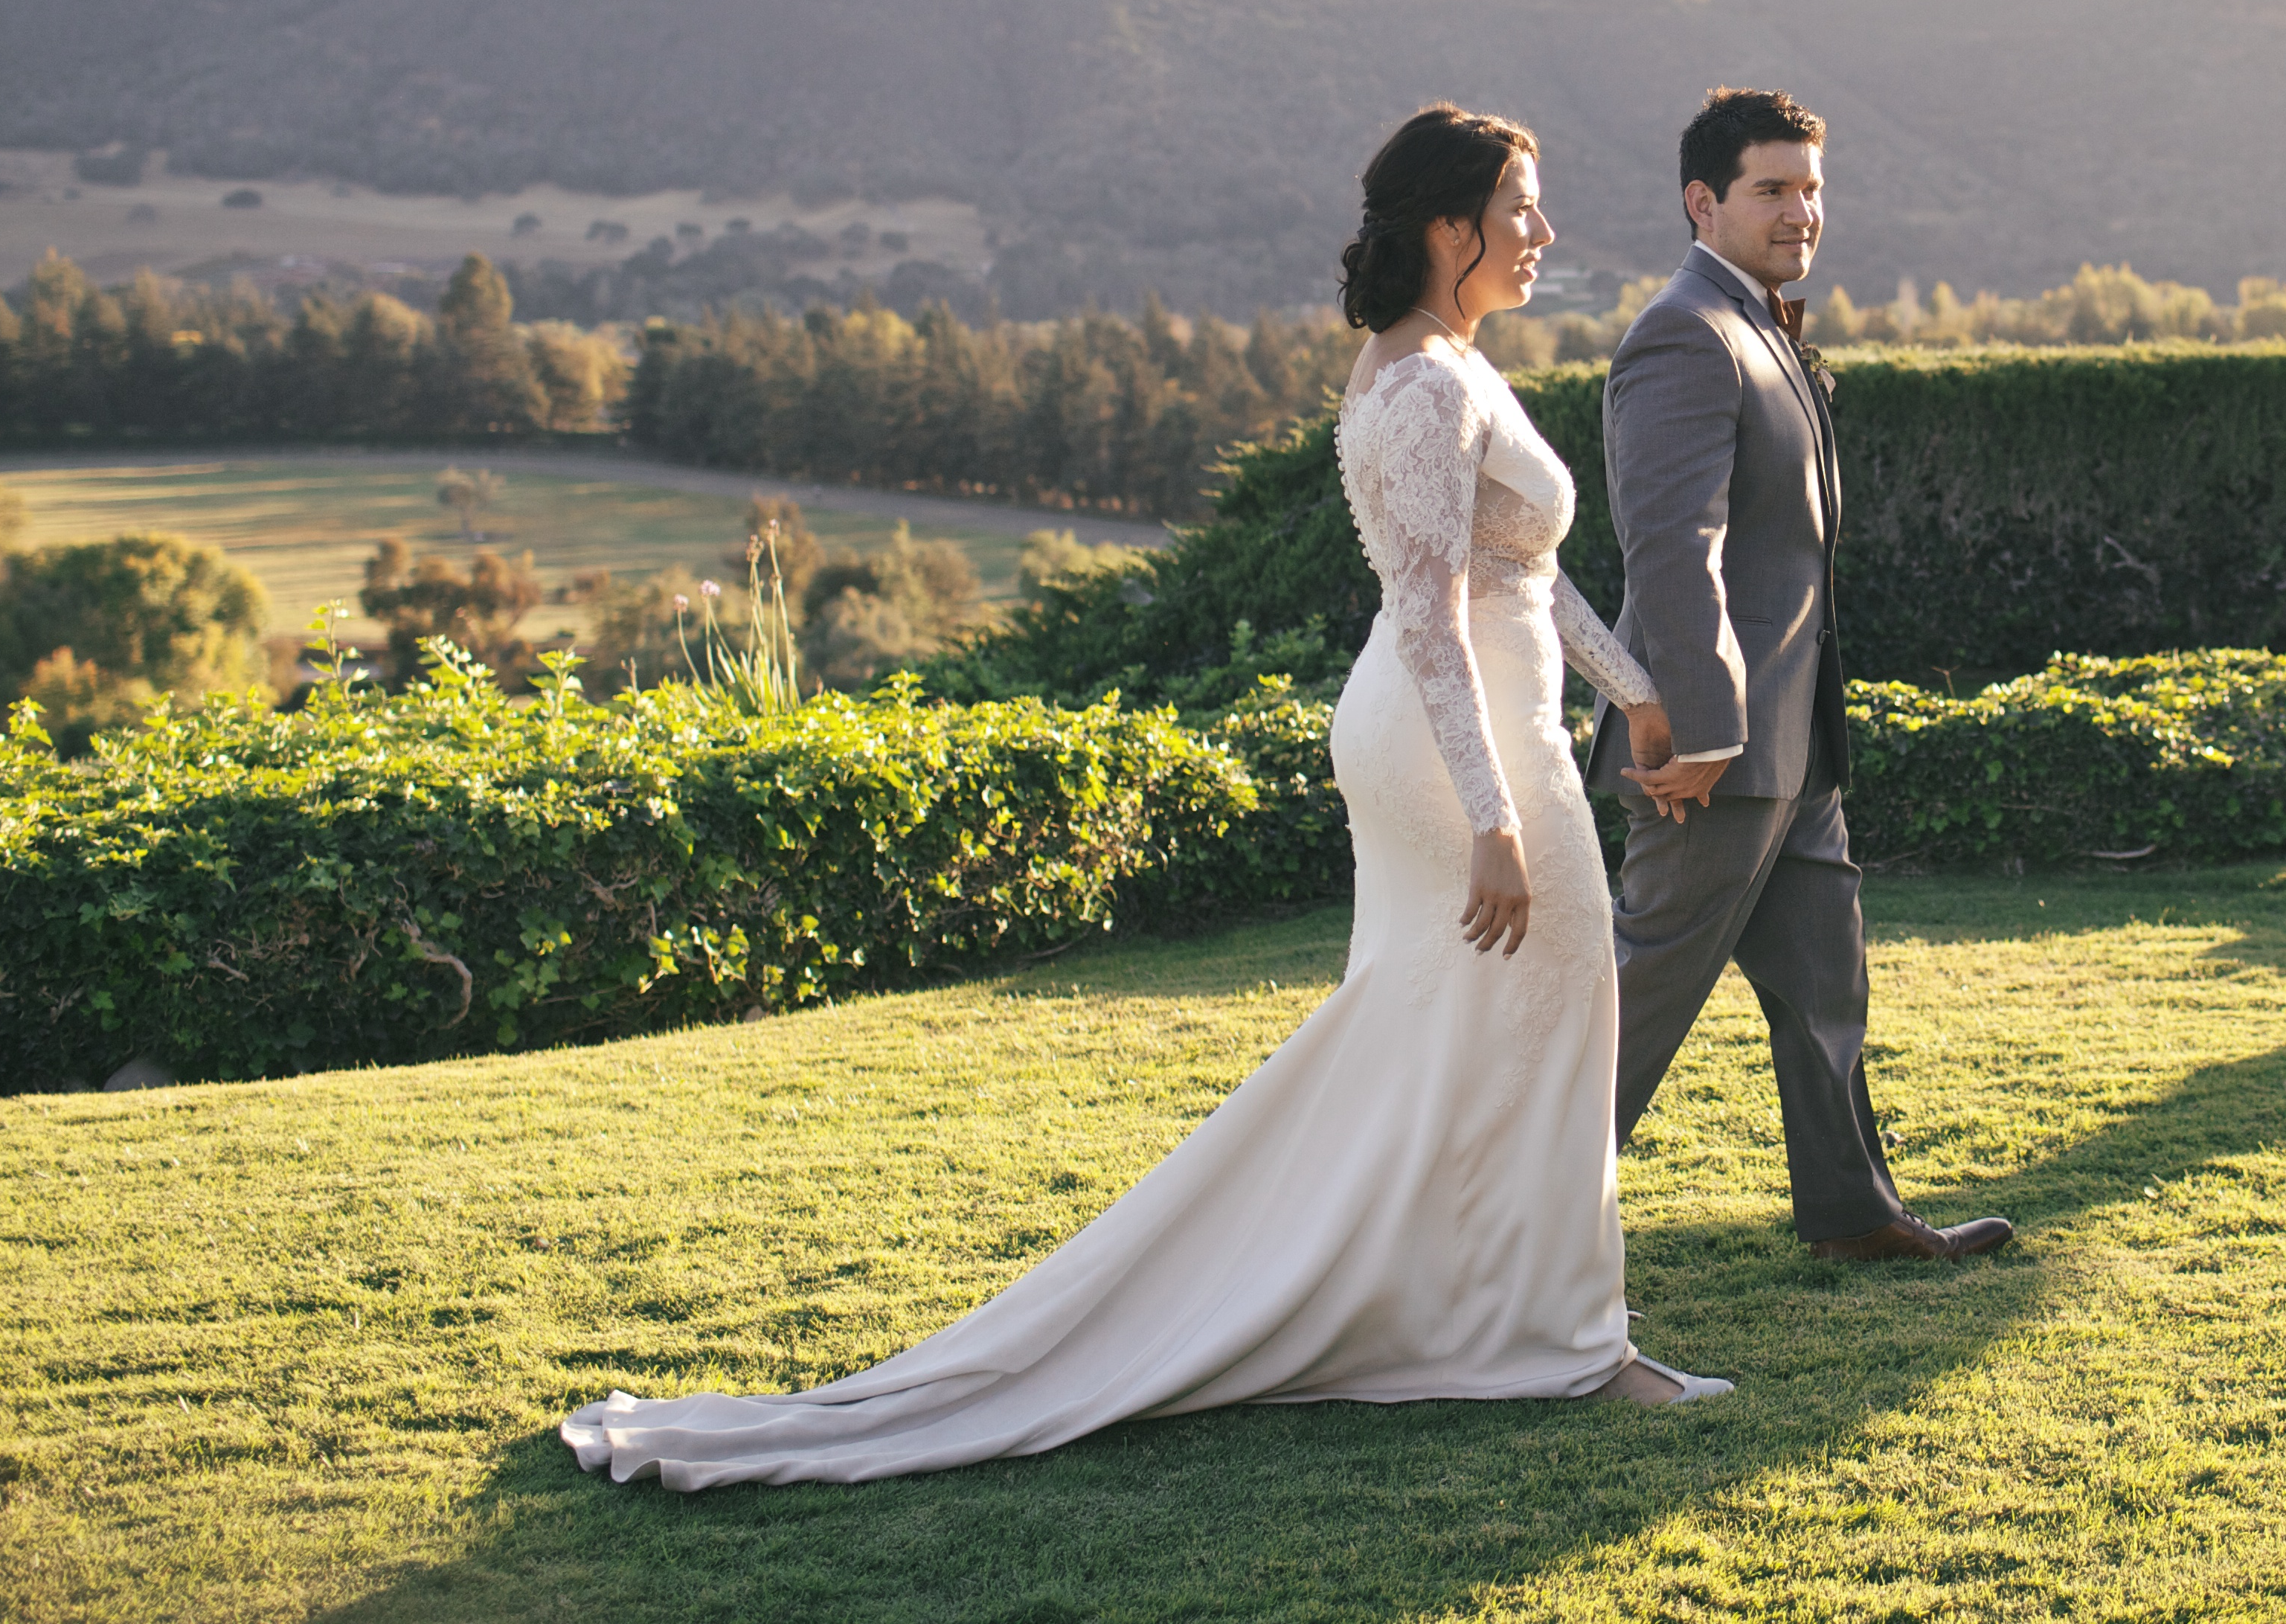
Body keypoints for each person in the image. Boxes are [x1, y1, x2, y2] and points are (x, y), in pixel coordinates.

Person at [560, 104, 1725, 1492]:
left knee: (1476, 1031)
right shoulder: (1423, 388)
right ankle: (1570, 1336)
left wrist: (1631, 683)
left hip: (1494, 720)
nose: (1546, 234)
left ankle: (1499, 1312)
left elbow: (1515, 572)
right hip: (1457, 746)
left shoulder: (1448, 366)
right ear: (1445, 225)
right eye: (1523, 207)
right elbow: (1423, 618)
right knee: (1548, 995)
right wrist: (1493, 820)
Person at [1591, 86, 2014, 1263]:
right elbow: (1673, 546)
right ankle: (1492, 1234)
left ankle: (1855, 1215)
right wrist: (1711, 729)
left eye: (1811, 189)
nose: (1800, 212)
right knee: (1635, 1009)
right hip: (1717, 751)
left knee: (1828, 982)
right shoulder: (1683, 331)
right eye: (1772, 189)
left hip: (1800, 742)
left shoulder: (1764, 323)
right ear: (1702, 201)